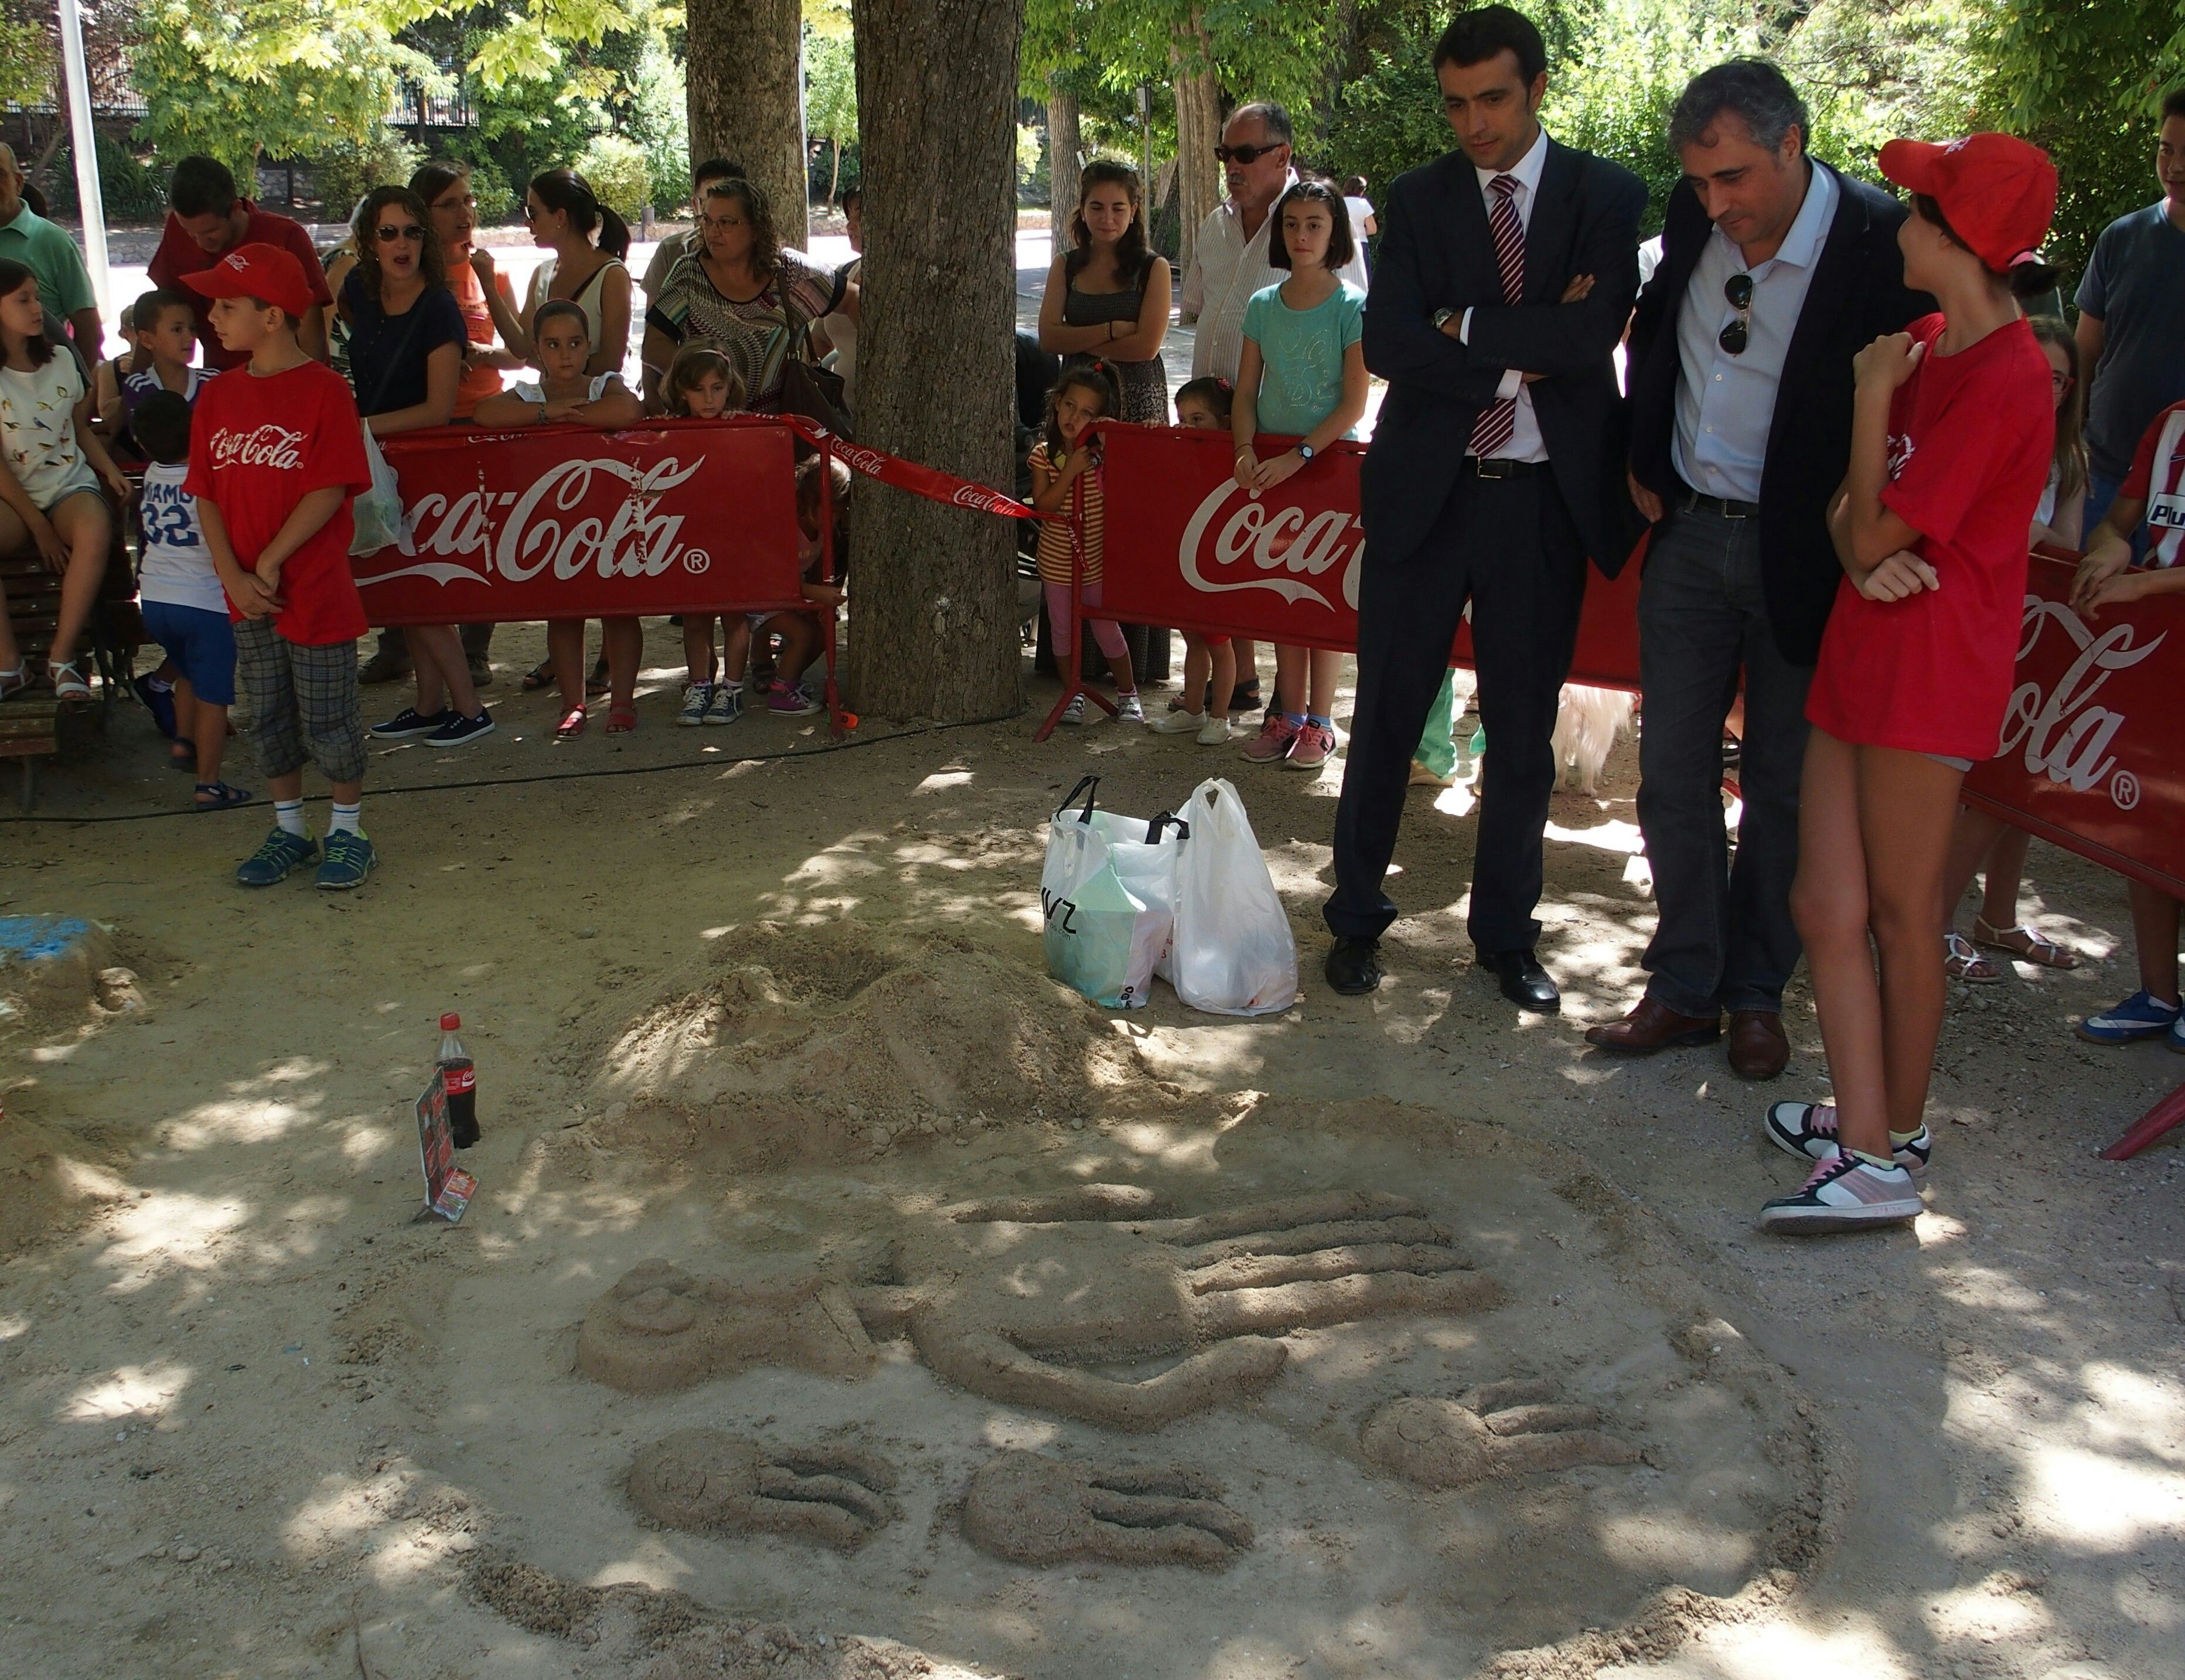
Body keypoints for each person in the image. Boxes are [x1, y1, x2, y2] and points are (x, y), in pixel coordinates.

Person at [1591, 59, 1931, 1078]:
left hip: (1808, 552)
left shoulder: (1879, 239)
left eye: (1732, 177)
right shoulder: (1693, 215)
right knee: (1669, 773)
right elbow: (1657, 329)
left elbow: (1914, 407)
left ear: (1792, 144)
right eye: (1697, 182)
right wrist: (1642, 452)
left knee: (1783, 784)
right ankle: (1684, 983)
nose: (1713, 204)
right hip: (1689, 534)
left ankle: (1755, 994)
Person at [1760, 134, 2057, 1233]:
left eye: (1919, 205)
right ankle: (1873, 1123)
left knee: (1899, 912)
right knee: (1822, 902)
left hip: (1930, 671)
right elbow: (1847, 522)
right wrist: (1857, 548)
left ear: (1956, 236)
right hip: (1865, 649)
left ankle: (1880, 1153)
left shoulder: (2003, 375)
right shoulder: (1924, 342)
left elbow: (1874, 520)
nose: (1899, 219)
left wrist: (1869, 400)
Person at [1323, 6, 1646, 1012]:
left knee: (1519, 731)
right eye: (1456, 104)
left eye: (1493, 99)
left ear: (1536, 88)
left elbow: (1592, 336)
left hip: (1539, 503)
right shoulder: (1418, 198)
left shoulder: (1604, 193)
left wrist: (1461, 323)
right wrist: (1521, 349)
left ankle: (1506, 936)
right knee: (1385, 715)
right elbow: (1389, 341)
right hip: (1427, 492)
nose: (1474, 123)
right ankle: (1354, 919)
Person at [180, 244, 378, 890]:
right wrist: (233, 574)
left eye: (227, 305)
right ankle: (290, 827)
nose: (213, 316)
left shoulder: (325, 389)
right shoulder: (218, 396)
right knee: (266, 712)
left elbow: (329, 487)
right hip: (247, 593)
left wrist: (268, 559)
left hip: (313, 588)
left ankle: (348, 830)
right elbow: (205, 493)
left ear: (272, 317)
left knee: (328, 714)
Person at [1180, 101, 1369, 714]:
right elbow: (1199, 309)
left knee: (1310, 585)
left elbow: (1354, 373)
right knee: (1244, 565)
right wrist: (1236, 435)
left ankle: (1312, 715)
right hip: (1234, 428)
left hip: (1312, 442)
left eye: (1244, 154)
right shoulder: (1214, 228)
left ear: (1281, 155)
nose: (1230, 166)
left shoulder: (1330, 250)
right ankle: (1250, 688)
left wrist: (1303, 449)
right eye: (1224, 155)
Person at [1939, 312, 2088, 984]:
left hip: (2038, 627)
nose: (2046, 388)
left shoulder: (2071, 457)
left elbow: (2066, 549)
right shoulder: (1982, 428)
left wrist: (2032, 534)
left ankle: (1997, 916)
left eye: (2059, 379)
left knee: (2018, 781)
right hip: (1972, 623)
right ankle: (1931, 921)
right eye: (2036, 373)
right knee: (1973, 786)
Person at [333, 186, 493, 752]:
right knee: (405, 593)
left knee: (422, 593)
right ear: (369, 240)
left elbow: (437, 408)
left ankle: (470, 710)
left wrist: (360, 428)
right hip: (378, 459)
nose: (401, 244)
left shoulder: (439, 307)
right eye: (388, 232)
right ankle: (429, 705)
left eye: (412, 231)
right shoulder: (359, 289)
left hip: (425, 462)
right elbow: (329, 321)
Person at [2053, 377, 2185, 1043]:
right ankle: (2159, 993)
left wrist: (2145, 586)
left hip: (2154, 612)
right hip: (2162, 650)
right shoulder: (2171, 422)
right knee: (2154, 819)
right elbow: (2118, 521)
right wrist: (2111, 544)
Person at [1232, 179, 1369, 773]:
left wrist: (1301, 455)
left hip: (1329, 464)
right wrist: (1243, 447)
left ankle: (1321, 721)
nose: (1302, 235)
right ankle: (1285, 715)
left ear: (1335, 231)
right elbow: (1245, 391)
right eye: (1291, 224)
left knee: (1324, 597)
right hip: (1272, 466)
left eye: (1315, 224)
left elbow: (1354, 403)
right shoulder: (1263, 304)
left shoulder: (1353, 305)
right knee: (1282, 593)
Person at [472, 301, 645, 738]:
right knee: (564, 612)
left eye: (574, 343)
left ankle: (623, 702)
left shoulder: (605, 384)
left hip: (610, 516)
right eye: (553, 345)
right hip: (553, 521)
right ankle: (573, 704)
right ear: (536, 350)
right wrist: (548, 414)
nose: (565, 354)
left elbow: (629, 411)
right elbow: (485, 414)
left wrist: (567, 416)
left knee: (620, 609)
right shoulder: (530, 395)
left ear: (589, 345)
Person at [0, 258, 129, 708]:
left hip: (66, 483)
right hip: (13, 496)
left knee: (95, 527)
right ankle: (9, 663)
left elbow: (78, 429)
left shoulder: (59, 360)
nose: (38, 308)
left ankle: (62, 657)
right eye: (24, 300)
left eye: (37, 297)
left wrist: (109, 470)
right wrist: (38, 526)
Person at [640, 173, 848, 414]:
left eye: (726, 222)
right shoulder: (689, 275)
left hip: (782, 425)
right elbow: (653, 346)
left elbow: (853, 300)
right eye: (707, 220)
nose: (713, 231)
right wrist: (703, 374)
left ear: (756, 229)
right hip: (708, 424)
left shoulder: (792, 273)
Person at [2074, 87, 2185, 533]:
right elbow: (2085, 351)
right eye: (2166, 149)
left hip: (2177, 489)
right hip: (2101, 470)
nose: (2174, 167)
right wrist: (2068, 441)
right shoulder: (2120, 238)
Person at [131, 390, 246, 808]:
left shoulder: (153, 474)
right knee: (214, 696)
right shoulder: (209, 475)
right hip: (204, 599)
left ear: (143, 444)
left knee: (186, 671)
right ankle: (209, 784)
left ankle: (184, 739)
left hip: (156, 597)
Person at [1029, 360, 1141, 726]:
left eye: (1087, 413)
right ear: (1057, 403)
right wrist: (1070, 472)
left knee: (1105, 628)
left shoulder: (1104, 456)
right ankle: (1072, 693)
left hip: (1095, 561)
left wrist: (1109, 447)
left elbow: (1127, 493)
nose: (1074, 418)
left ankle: (1128, 694)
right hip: (1057, 562)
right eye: (1069, 406)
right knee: (1062, 631)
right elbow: (1044, 506)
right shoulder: (1043, 454)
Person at [149, 155, 332, 369]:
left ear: (236, 208)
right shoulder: (177, 227)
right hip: (218, 374)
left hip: (281, 374)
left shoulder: (285, 237)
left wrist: (311, 381)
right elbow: (164, 312)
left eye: (211, 233)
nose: (200, 243)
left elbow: (311, 329)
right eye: (190, 234)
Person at [1038, 161, 1173, 424]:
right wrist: (1111, 330)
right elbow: (1049, 339)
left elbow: (1146, 348)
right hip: (1078, 401)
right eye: (1097, 207)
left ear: (1133, 211)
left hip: (1138, 399)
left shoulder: (1154, 268)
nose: (1107, 218)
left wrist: (1076, 340)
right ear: (1083, 210)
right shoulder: (1065, 266)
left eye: (1118, 208)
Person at [661, 345, 753, 727]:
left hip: (733, 538)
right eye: (698, 390)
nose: (709, 399)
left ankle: (732, 690)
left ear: (730, 387)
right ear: (682, 391)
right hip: (688, 539)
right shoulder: (668, 431)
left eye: (717, 388)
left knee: (734, 616)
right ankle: (699, 685)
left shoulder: (745, 427)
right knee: (695, 618)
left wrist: (739, 426)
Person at [1153, 374, 1239, 745]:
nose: (1187, 427)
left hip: (1217, 565)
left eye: (1198, 419)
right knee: (1192, 637)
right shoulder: (1184, 451)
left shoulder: (1233, 459)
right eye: (1182, 419)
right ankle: (1192, 710)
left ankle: (1221, 717)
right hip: (1189, 558)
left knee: (1219, 642)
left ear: (1225, 422)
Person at [752, 455, 847, 718]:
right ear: (807, 502)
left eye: (839, 514)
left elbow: (816, 569)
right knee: (803, 634)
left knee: (821, 632)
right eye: (830, 512)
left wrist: (817, 601)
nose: (834, 520)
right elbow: (775, 576)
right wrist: (813, 593)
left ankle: (787, 679)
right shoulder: (787, 528)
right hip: (763, 595)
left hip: (788, 595)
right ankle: (781, 694)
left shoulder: (824, 532)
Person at [520, 168, 632, 378]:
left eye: (532, 214)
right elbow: (524, 347)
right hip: (550, 396)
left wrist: (555, 371)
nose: (527, 223)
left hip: (599, 396)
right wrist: (491, 288)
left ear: (560, 217)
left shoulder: (611, 275)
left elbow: (611, 361)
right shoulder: (541, 274)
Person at [0, 143, 101, 355]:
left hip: (41, 372)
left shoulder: (53, 242)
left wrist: (74, 376)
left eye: (0, 175)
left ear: (18, 182)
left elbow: (90, 332)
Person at [640, 158, 749, 313]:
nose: (715, 227)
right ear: (695, 205)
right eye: (707, 204)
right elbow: (655, 322)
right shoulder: (672, 253)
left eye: (726, 217)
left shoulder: (765, 260)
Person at [1342, 173, 1379, 270]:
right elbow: (1373, 229)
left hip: (1343, 244)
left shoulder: (1340, 203)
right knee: (1363, 275)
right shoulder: (1363, 204)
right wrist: (1361, 232)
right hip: (1361, 243)